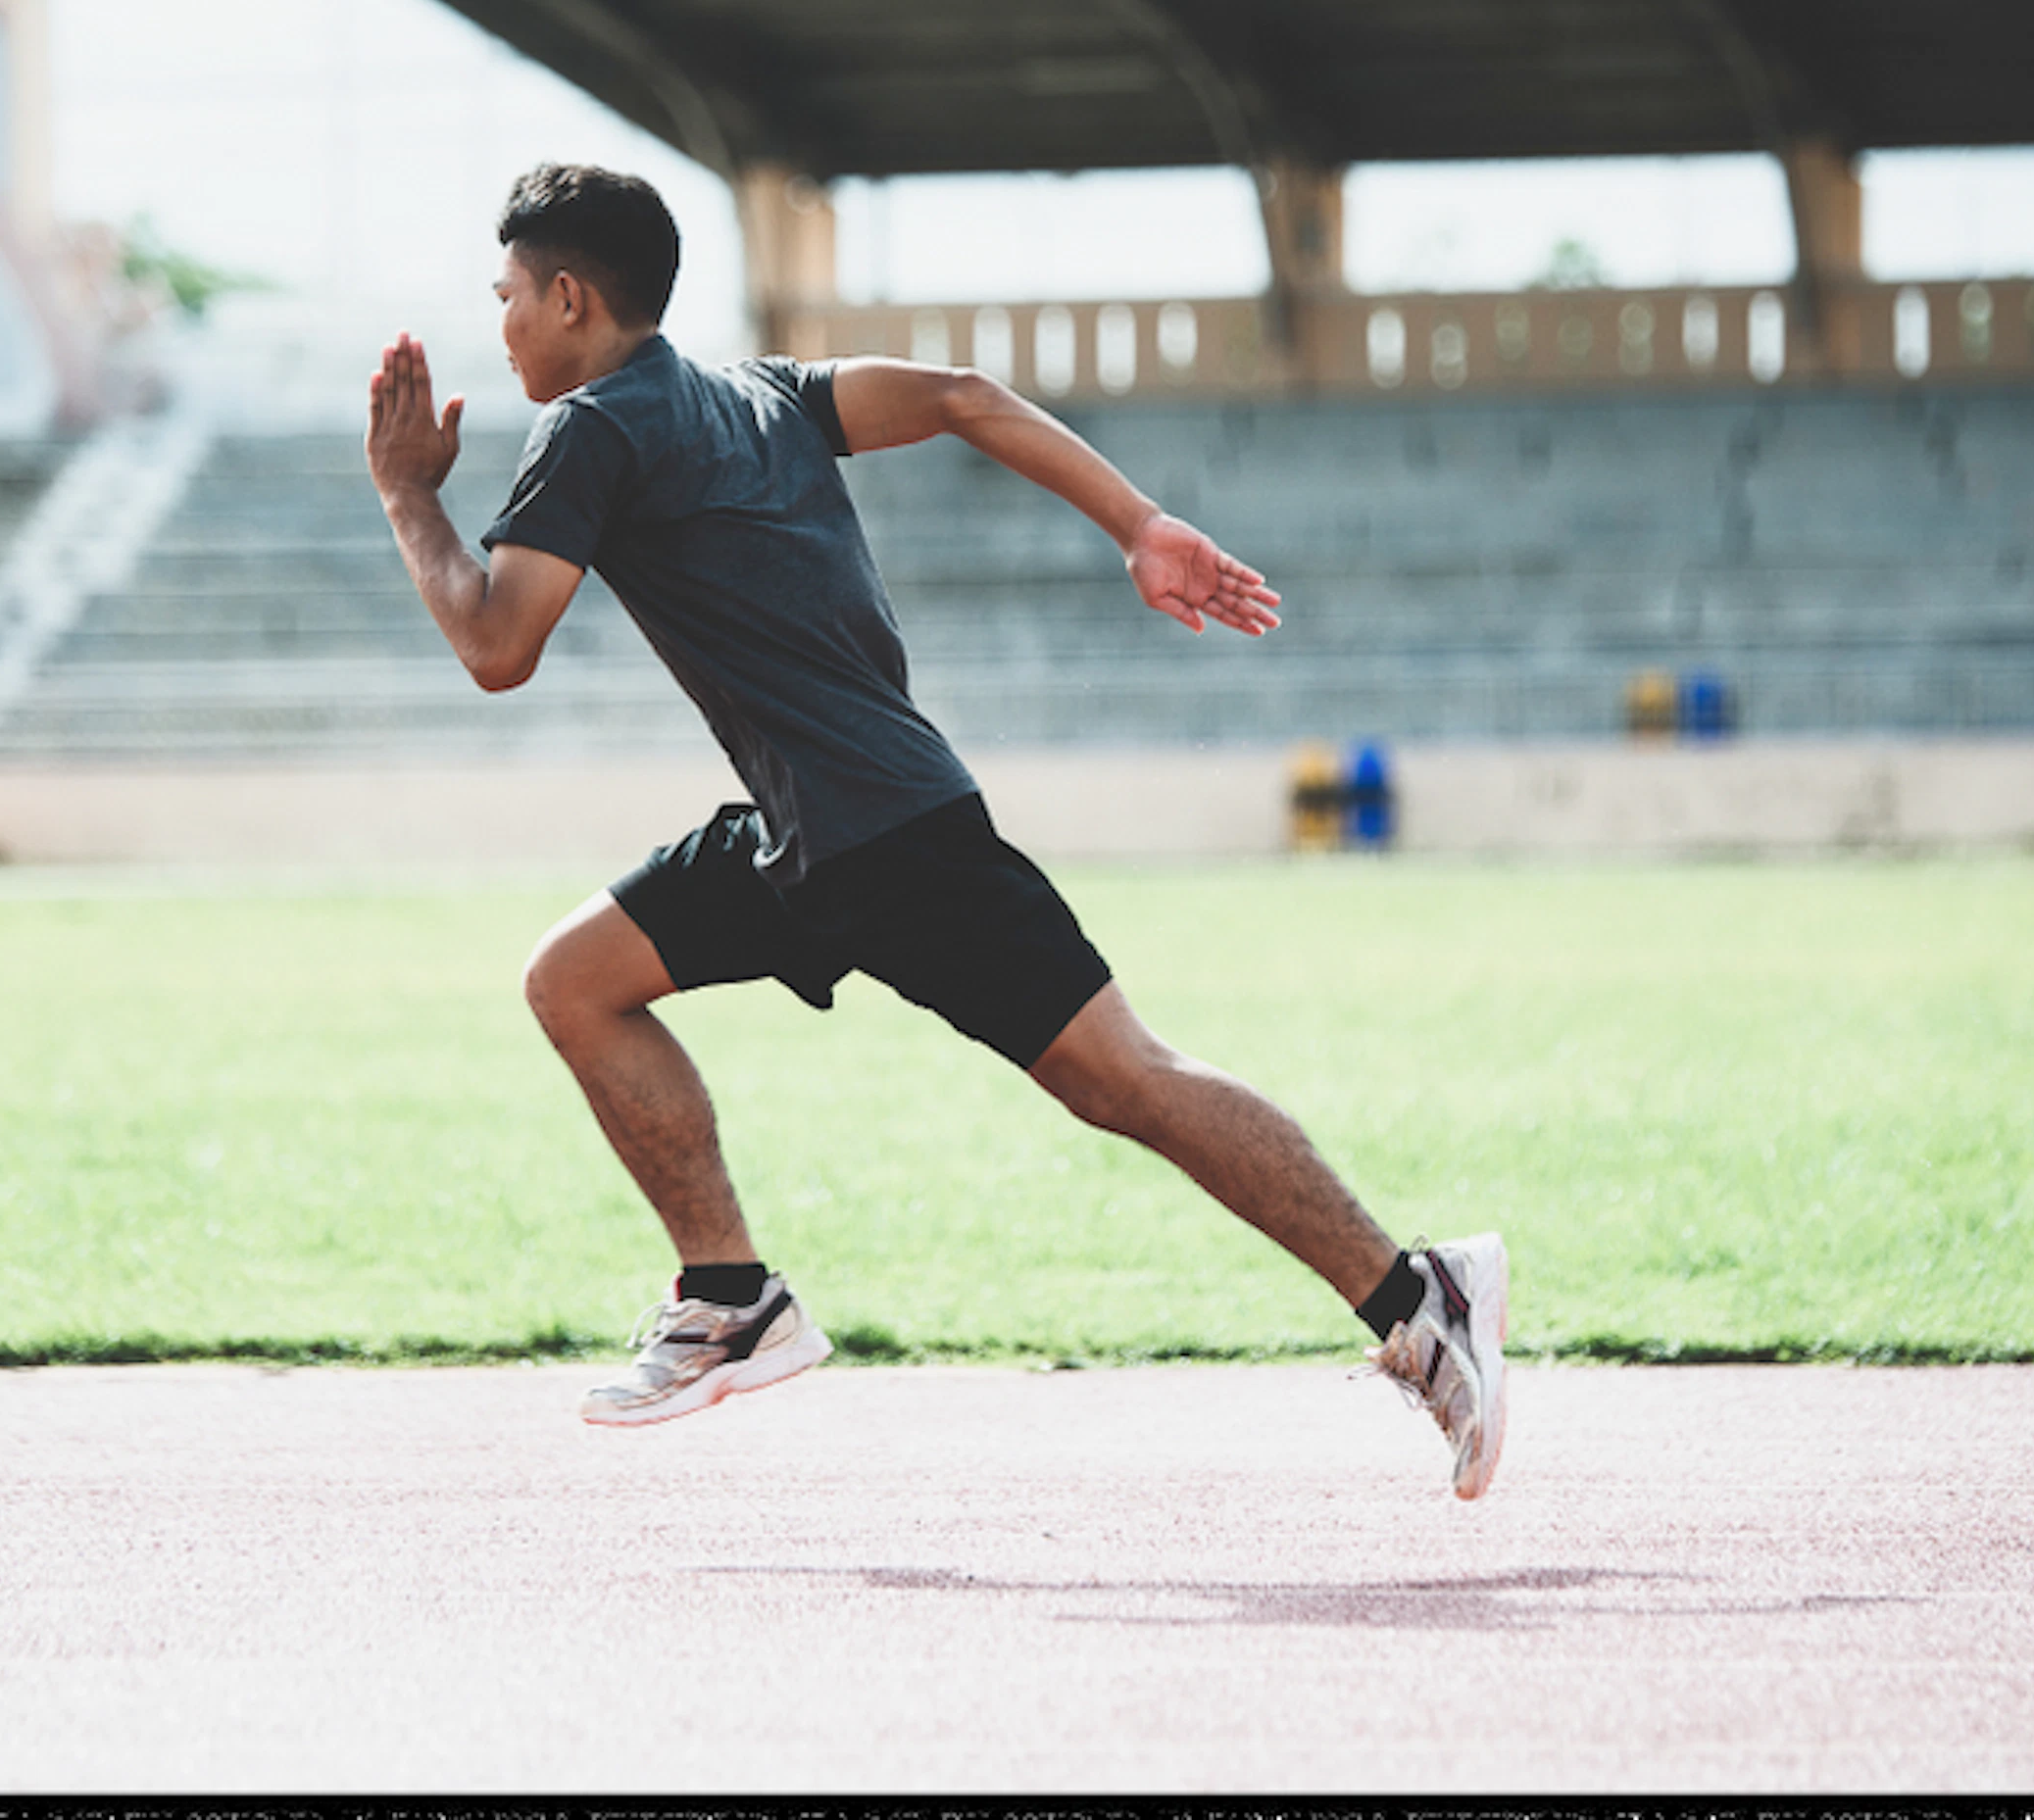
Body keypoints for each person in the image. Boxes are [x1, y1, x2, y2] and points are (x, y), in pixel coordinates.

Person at [367, 163, 1508, 1498]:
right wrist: (1137, 524)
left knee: (1122, 1079)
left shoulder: (595, 429)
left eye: (506, 296)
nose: (499, 324)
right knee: (577, 982)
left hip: (888, 836)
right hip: (812, 832)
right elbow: (965, 397)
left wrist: (409, 495)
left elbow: (501, 645)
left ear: (569, 297)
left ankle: (1413, 1295)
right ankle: (730, 1294)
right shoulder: (765, 393)